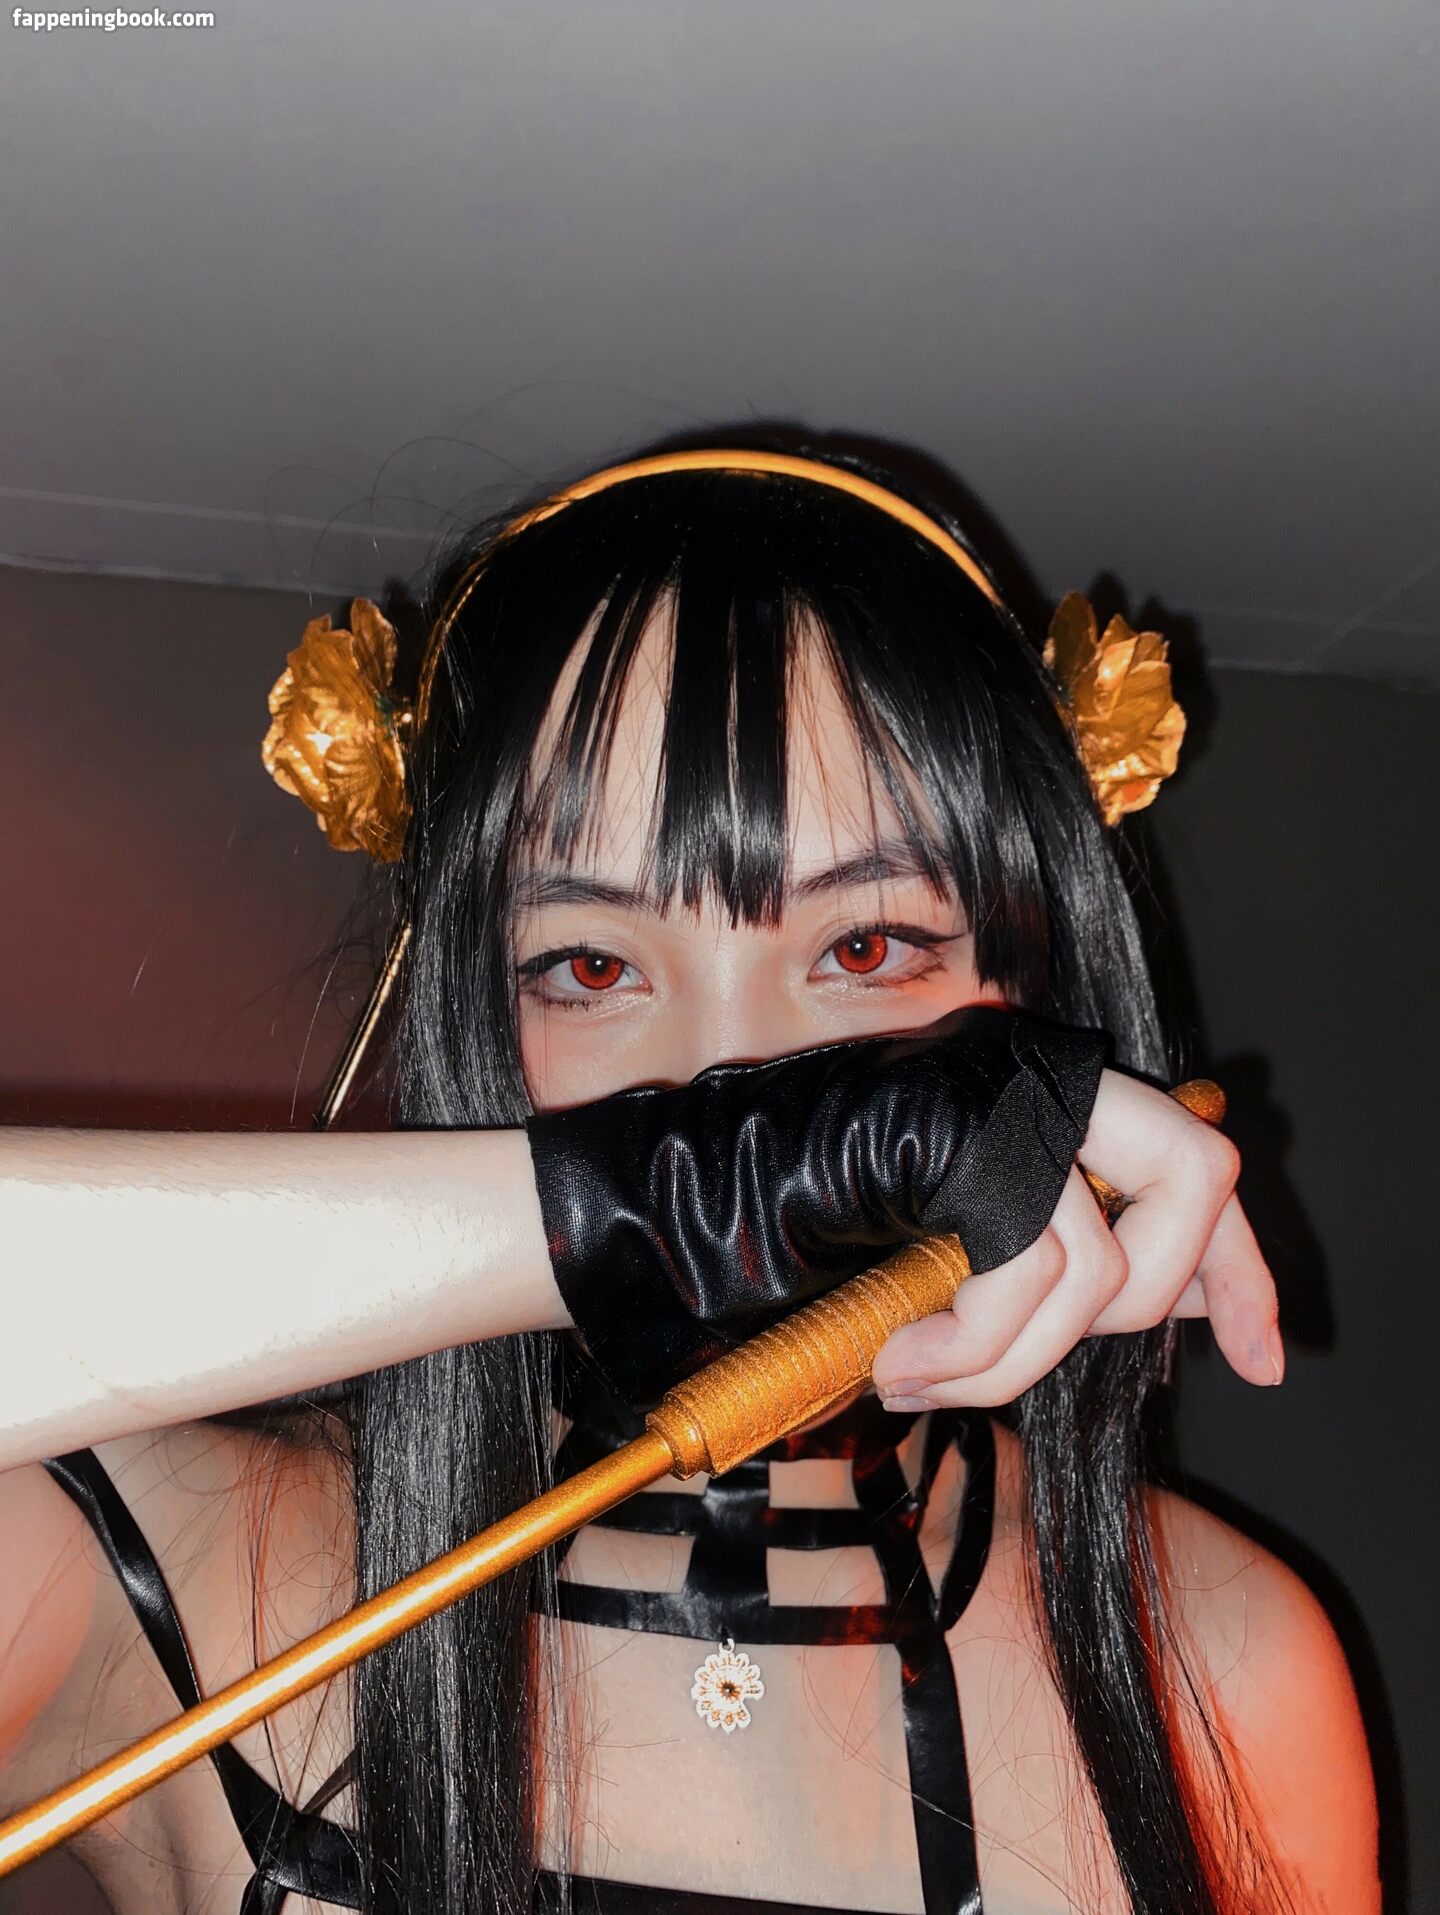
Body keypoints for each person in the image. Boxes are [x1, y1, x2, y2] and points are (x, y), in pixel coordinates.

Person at [0, 439, 1378, 1915]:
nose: (743, 1089)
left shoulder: (1227, 1660)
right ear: (479, 1015)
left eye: (863, 949)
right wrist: (662, 1204)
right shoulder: (173, 1573)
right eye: (593, 968)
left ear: (1027, 1000)